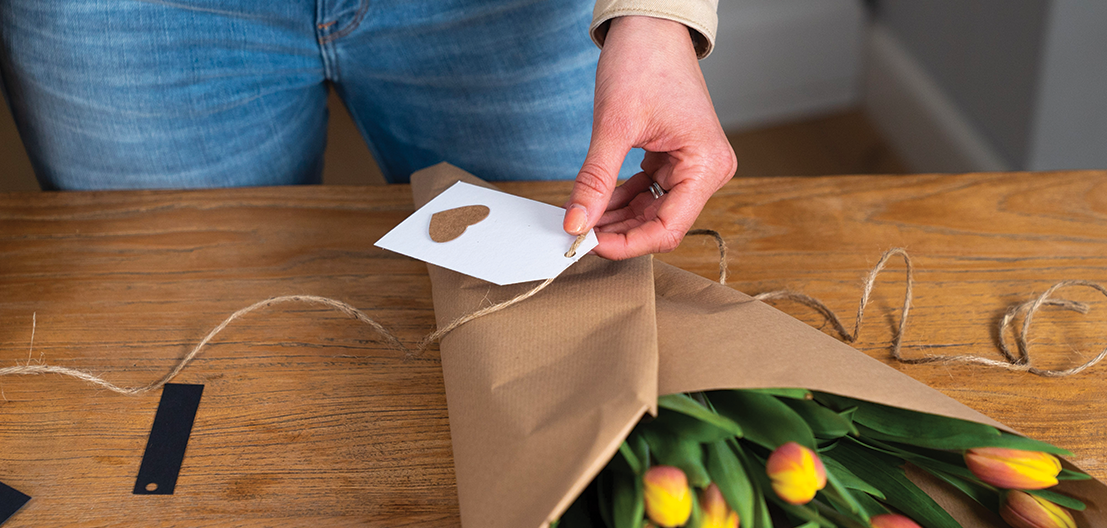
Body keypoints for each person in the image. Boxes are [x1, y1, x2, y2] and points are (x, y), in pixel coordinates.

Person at [0, 0, 735, 260]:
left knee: (571, 311)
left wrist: (656, 12)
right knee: (163, 329)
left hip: (513, 11)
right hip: (129, 12)